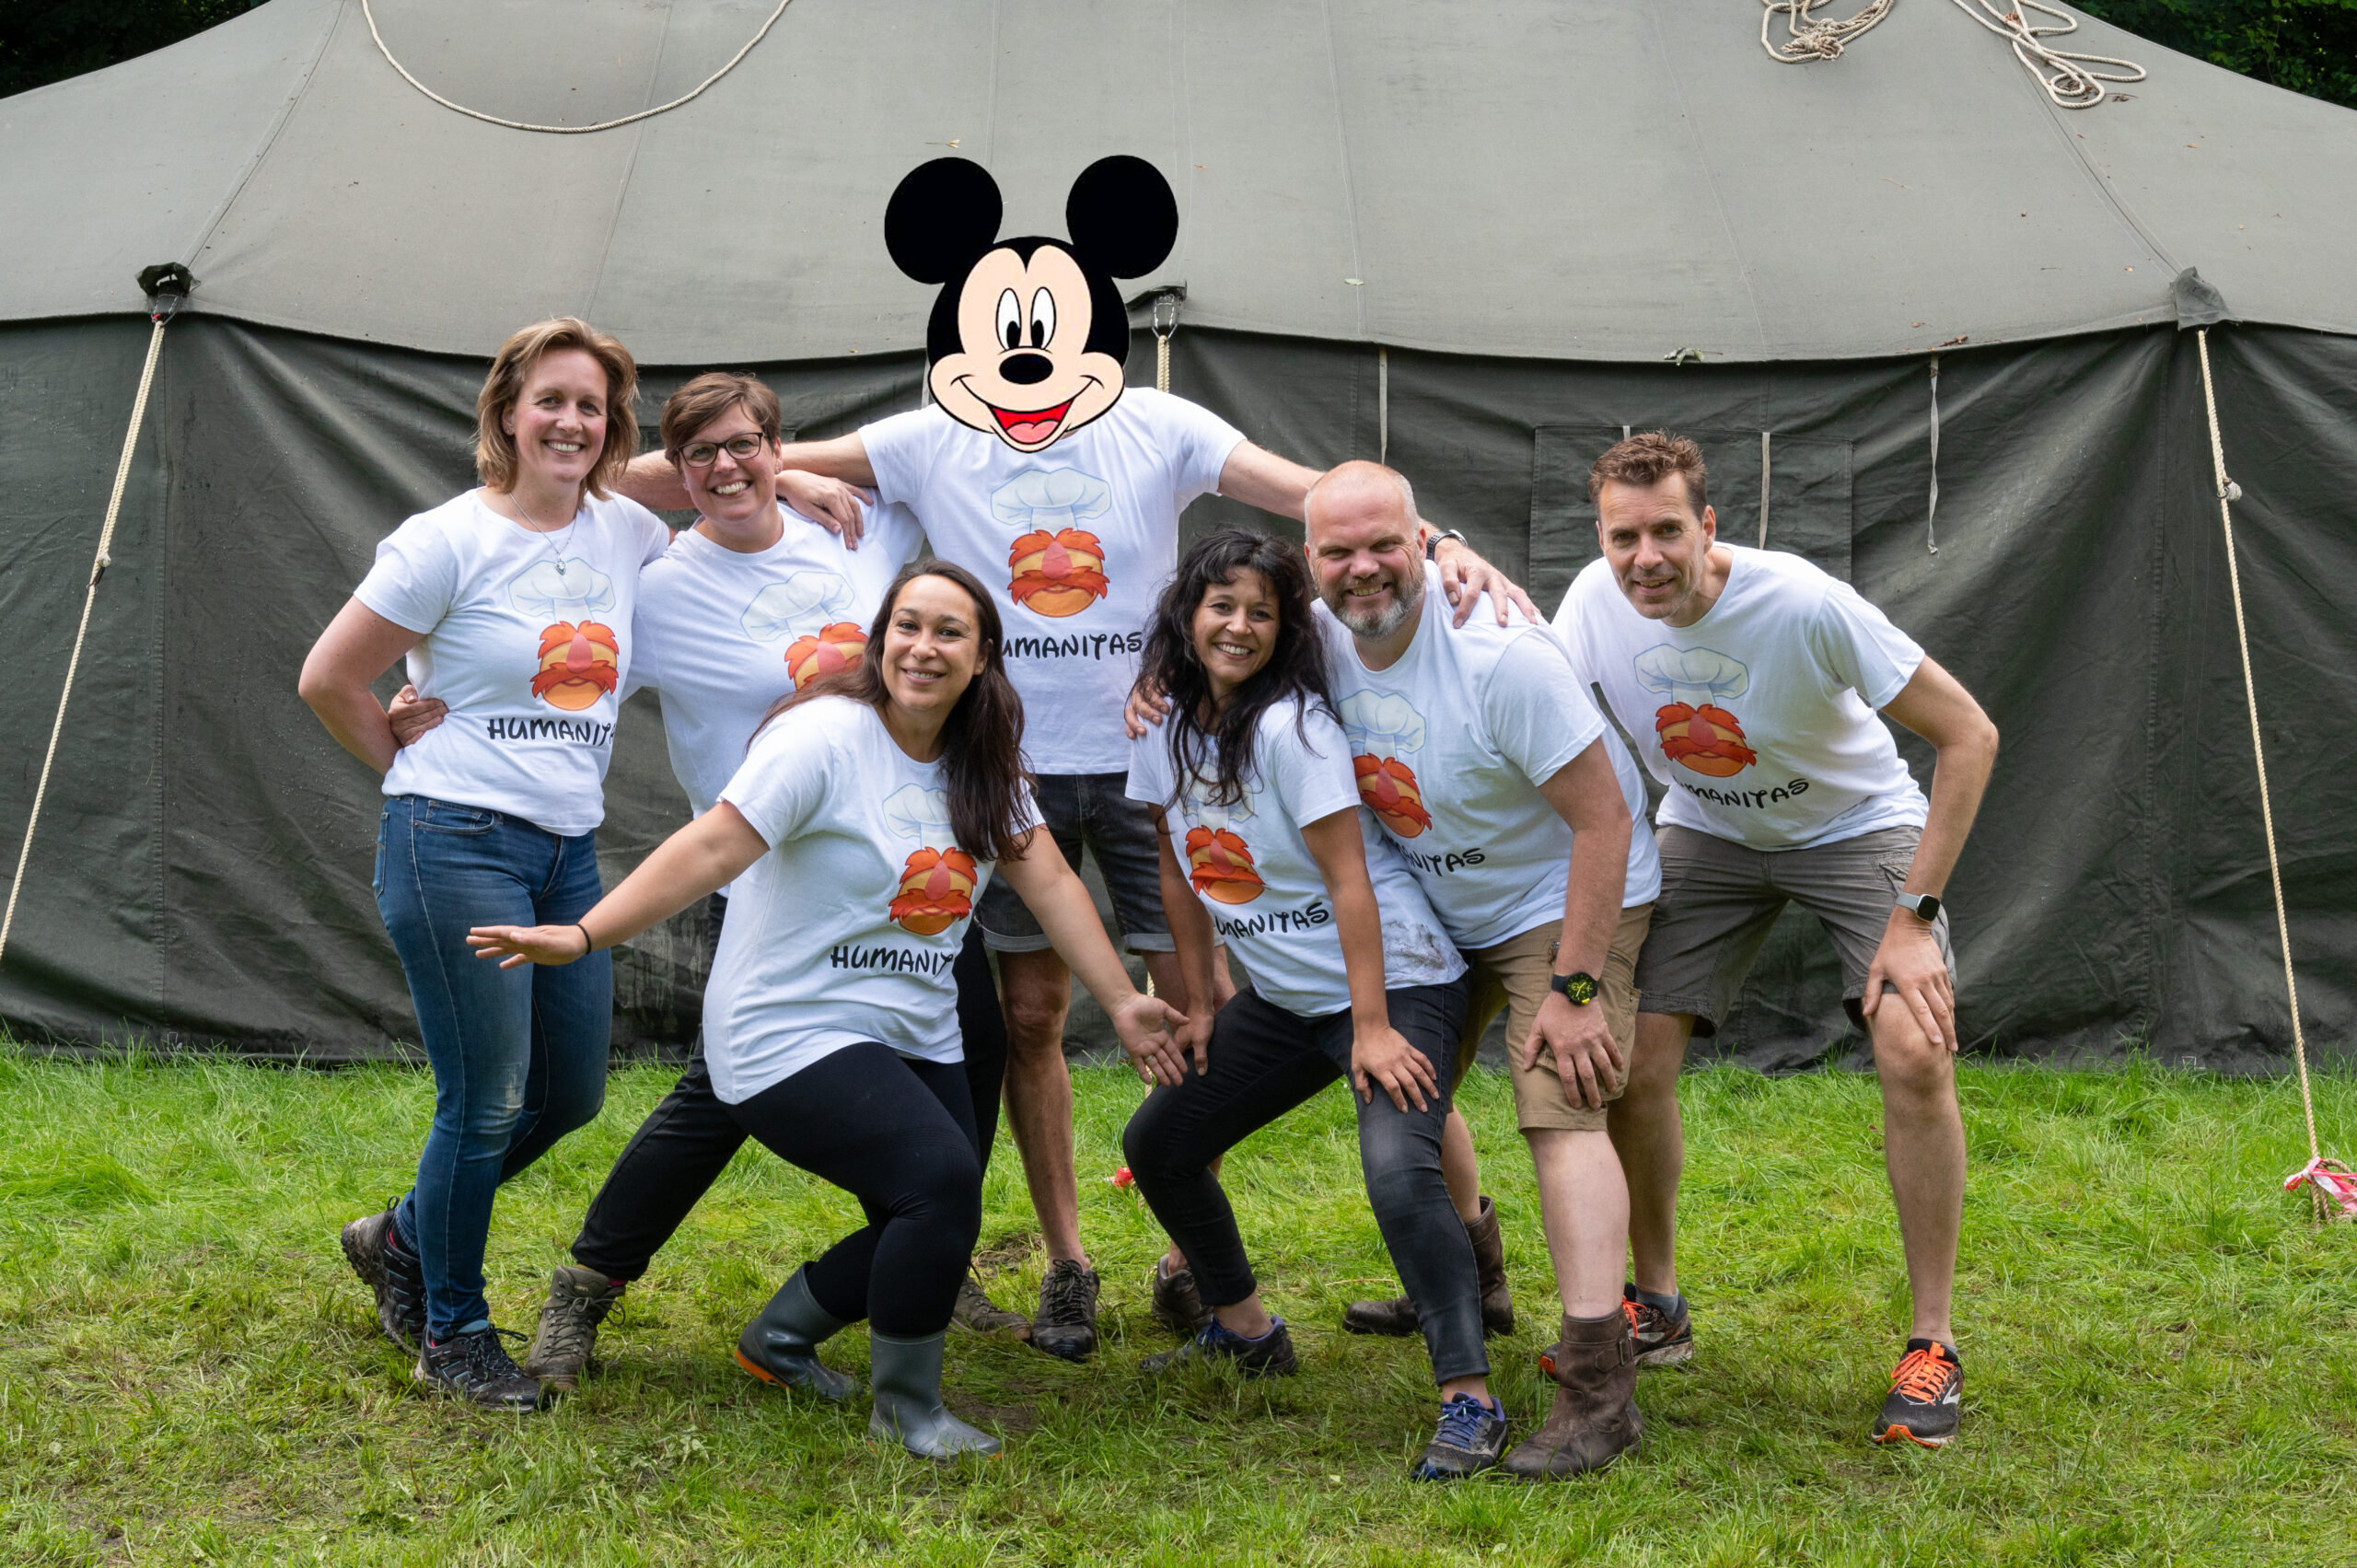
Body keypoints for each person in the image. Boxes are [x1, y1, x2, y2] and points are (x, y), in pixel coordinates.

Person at [618, 389, 1533, 1361]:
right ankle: (1069, 1261)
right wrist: (787, 473)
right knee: (1031, 1020)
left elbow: (1327, 495)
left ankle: (1269, 1257)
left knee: (1208, 1015)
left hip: (1146, 746)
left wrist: (1439, 542)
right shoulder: (936, 433)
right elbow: (698, 464)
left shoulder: (1156, 422)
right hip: (1018, 766)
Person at [390, 373, 1031, 1389]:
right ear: (677, 468)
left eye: (750, 446)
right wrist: (437, 690)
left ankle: (928, 1247)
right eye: (701, 455)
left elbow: (934, 494)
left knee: (970, 1040)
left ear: (781, 444)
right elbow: (556, 653)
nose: (728, 468)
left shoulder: (858, 529)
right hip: (766, 878)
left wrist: (795, 475)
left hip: (908, 871)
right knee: (722, 1097)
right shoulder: (658, 585)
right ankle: (586, 1286)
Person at [466, 562, 1189, 1458]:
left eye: (949, 632)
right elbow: (712, 845)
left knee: (936, 1205)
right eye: (907, 626)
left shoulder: (982, 760)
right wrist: (583, 934)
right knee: (937, 1181)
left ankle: (779, 1336)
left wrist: (1121, 1000)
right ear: (880, 641)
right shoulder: (821, 737)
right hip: (784, 1025)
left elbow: (1051, 884)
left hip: (911, 1028)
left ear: (982, 656)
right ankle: (907, 1407)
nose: (923, 648)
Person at [1553, 432, 1998, 1448]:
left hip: (1856, 824)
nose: (1645, 558)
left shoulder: (1802, 601)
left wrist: (1913, 919)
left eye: (1667, 531)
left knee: (1913, 1046)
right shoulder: (1588, 604)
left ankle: (1932, 1342)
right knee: (1630, 1058)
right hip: (1707, 827)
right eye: (1623, 537)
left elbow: (1969, 733)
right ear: (1601, 539)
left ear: (1708, 526)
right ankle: (1656, 1306)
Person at [298, 317, 668, 1410]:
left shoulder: (623, 528)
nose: (571, 421)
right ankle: (451, 1333)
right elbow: (329, 677)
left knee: (570, 1091)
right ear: (506, 410)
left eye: (591, 404)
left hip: (566, 850)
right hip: (454, 839)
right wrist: (405, 759)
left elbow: (705, 471)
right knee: (487, 1098)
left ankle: (401, 1236)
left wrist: (811, 483)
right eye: (550, 399)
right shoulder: (445, 540)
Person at [1118, 529, 1515, 1481]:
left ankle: (1469, 1398)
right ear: (1186, 615)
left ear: (1285, 629)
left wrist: (1372, 1027)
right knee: (1159, 1142)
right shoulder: (1162, 729)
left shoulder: (1294, 729)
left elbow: (1350, 882)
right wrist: (1200, 1002)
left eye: (1260, 612)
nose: (1239, 626)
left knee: (1397, 1167)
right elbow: (1178, 874)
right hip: (1289, 998)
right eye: (1221, 606)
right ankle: (1245, 1328)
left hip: (1397, 978)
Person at [1302, 461, 1652, 1479]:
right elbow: (1207, 633)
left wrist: (1576, 990)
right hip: (1435, 902)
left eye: (1386, 544)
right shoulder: (1311, 634)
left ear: (1424, 542)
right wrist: (1158, 680)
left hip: (1559, 894)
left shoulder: (1499, 654)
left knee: (1559, 1100)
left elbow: (1604, 821)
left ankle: (1598, 1386)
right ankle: (1474, 1274)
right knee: (1409, 1085)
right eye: (1338, 551)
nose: (1363, 568)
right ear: (1308, 558)